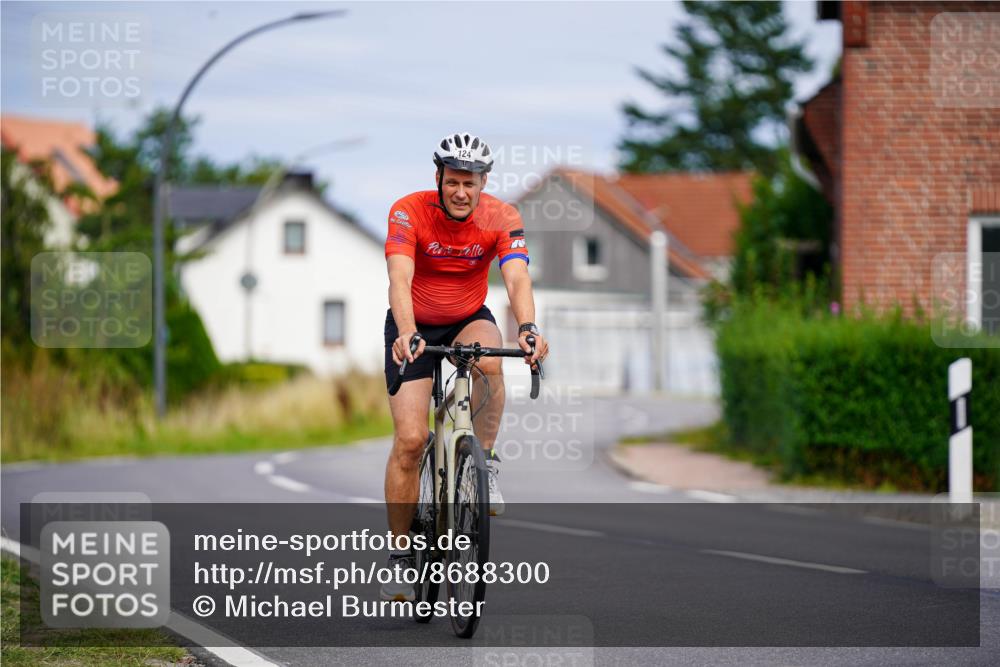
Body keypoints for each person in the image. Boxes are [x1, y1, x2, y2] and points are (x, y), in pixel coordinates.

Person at [380, 132, 549, 601]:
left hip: (467, 319)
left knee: (491, 365)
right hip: (412, 323)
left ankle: (484, 464)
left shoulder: (502, 216)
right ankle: (399, 555)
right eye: (452, 181)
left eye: (469, 183)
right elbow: (400, 276)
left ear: (483, 182)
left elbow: (516, 275)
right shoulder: (407, 211)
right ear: (439, 177)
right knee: (411, 441)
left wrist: (529, 327)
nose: (460, 191)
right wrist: (407, 330)